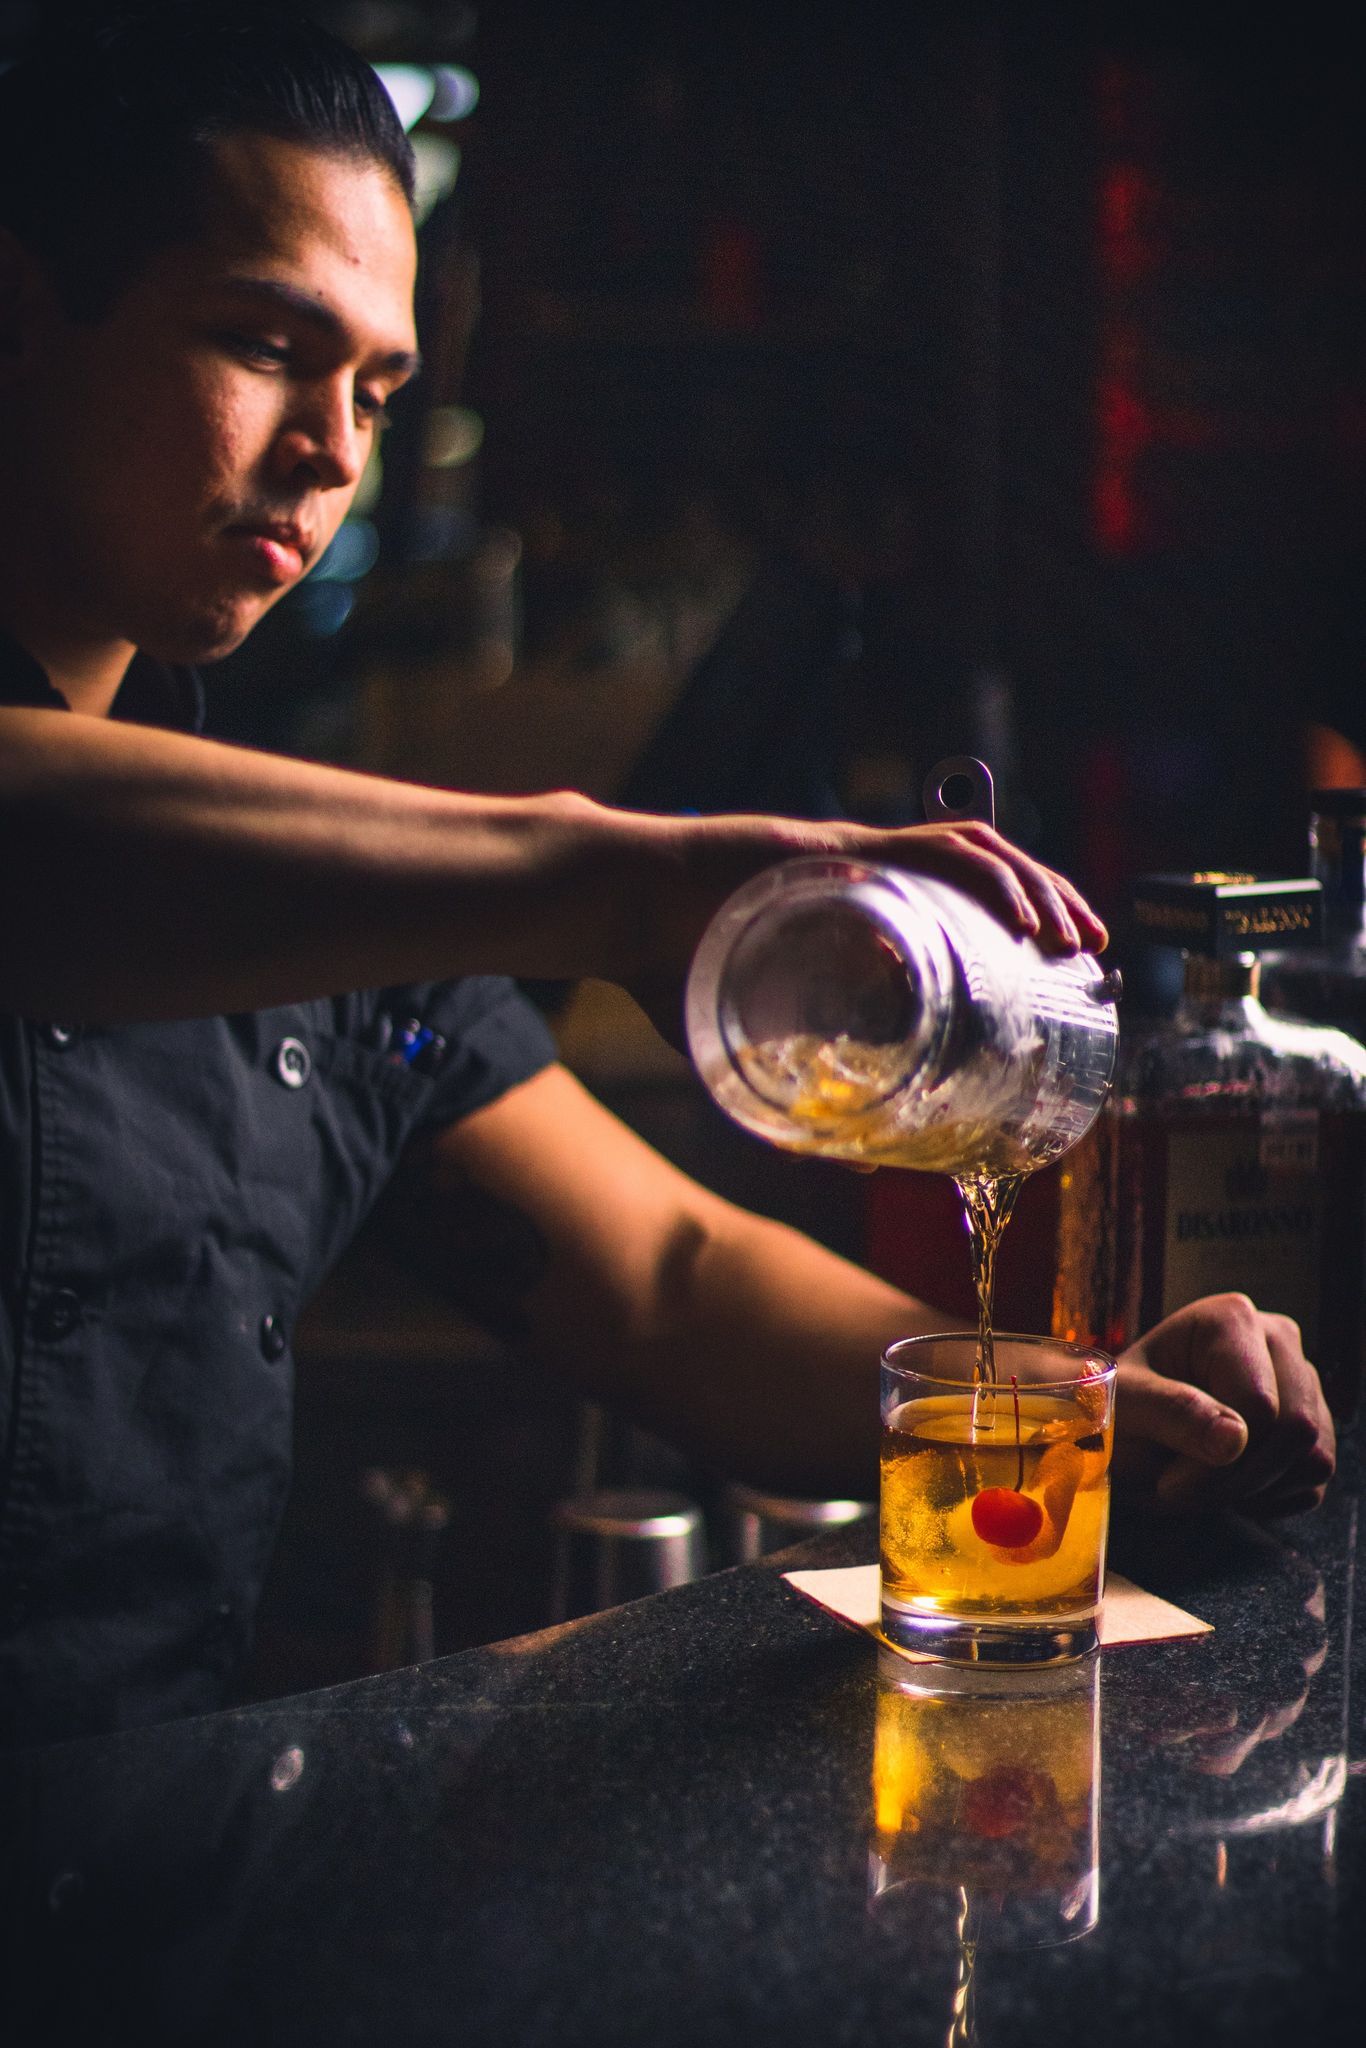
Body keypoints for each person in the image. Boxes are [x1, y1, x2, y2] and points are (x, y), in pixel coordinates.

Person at [0, 4, 1334, 1747]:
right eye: (262, 345)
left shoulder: (334, 913)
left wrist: (1083, 1405)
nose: (335, 450)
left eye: (379, 389)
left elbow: (670, 1280)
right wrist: (626, 885)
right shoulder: (231, 867)